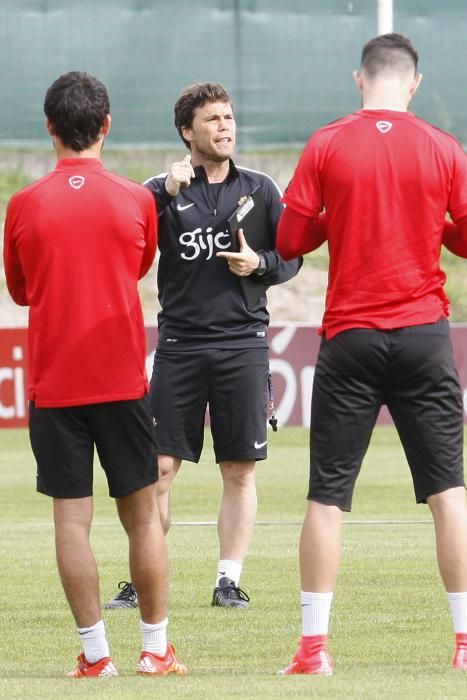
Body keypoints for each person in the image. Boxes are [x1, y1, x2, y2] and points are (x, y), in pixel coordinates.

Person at [275, 33, 467, 675]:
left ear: (359, 80)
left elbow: (291, 236)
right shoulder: (444, 148)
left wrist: (340, 216)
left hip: (351, 336)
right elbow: (465, 238)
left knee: (327, 496)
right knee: (449, 492)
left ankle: (313, 650)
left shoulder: (328, 142)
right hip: (423, 334)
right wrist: (431, 221)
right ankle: (466, 644)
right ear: (413, 83)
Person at [3, 71, 187, 678]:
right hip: (121, 382)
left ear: (50, 127)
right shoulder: (137, 199)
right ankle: (155, 651)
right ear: (106, 126)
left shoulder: (23, 205)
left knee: (70, 520)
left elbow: (23, 289)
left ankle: (95, 656)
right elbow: (137, 265)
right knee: (141, 517)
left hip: (56, 384)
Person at [105, 81, 302, 610]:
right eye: (213, 119)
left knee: (238, 468)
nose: (226, 127)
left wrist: (258, 264)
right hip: (180, 346)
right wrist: (162, 194)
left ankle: (227, 580)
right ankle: (140, 579)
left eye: (230, 117)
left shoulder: (261, 189)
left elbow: (292, 256)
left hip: (243, 345)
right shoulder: (162, 189)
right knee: (159, 468)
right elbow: (122, 229)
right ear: (187, 131)